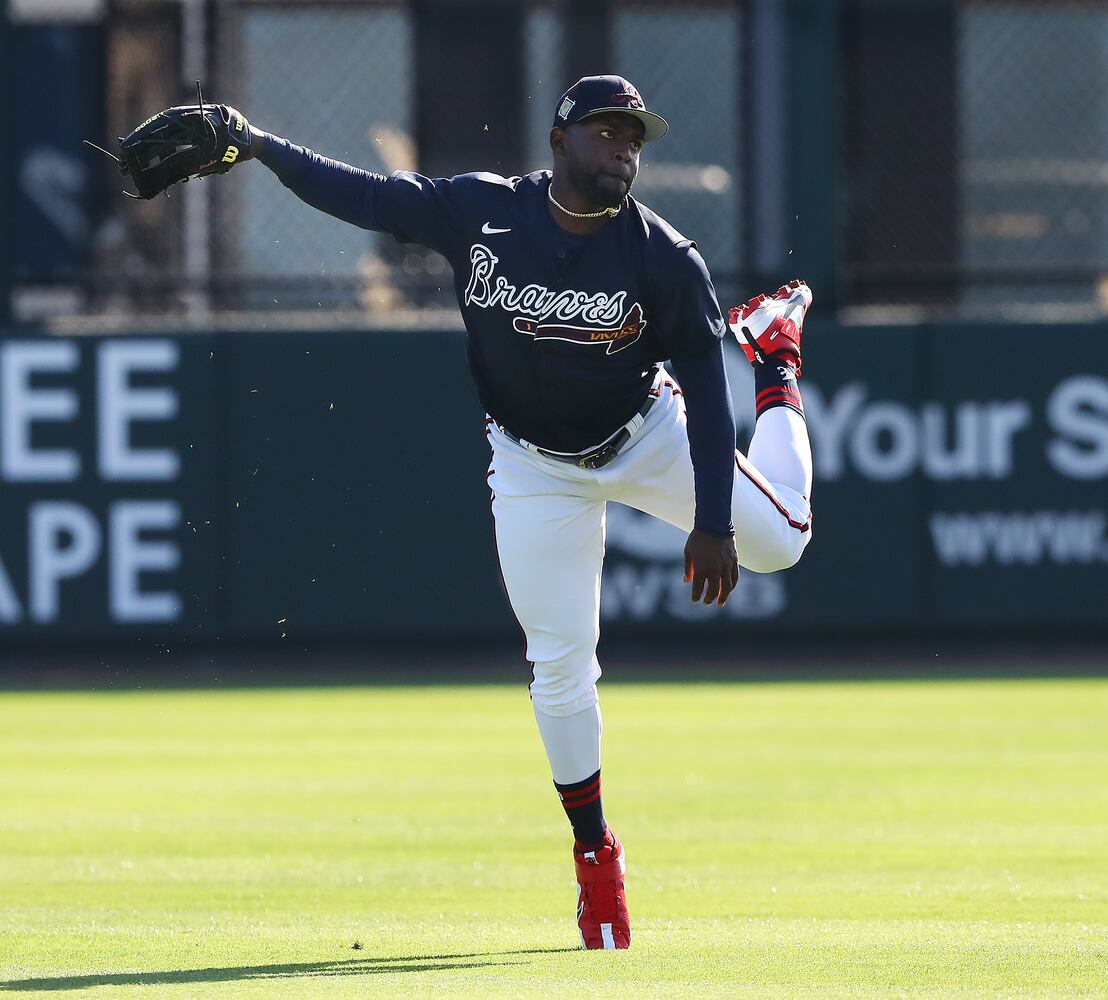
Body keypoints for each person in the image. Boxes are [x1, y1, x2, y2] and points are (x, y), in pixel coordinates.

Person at [237, 75, 814, 950]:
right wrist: (256, 143)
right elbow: (368, 197)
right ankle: (596, 856)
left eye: (634, 137)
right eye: (607, 131)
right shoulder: (483, 212)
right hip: (532, 463)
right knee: (559, 668)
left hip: (644, 433)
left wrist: (715, 524)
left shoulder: (664, 257)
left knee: (786, 543)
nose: (624, 148)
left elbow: (704, 389)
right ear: (559, 140)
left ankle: (776, 356)